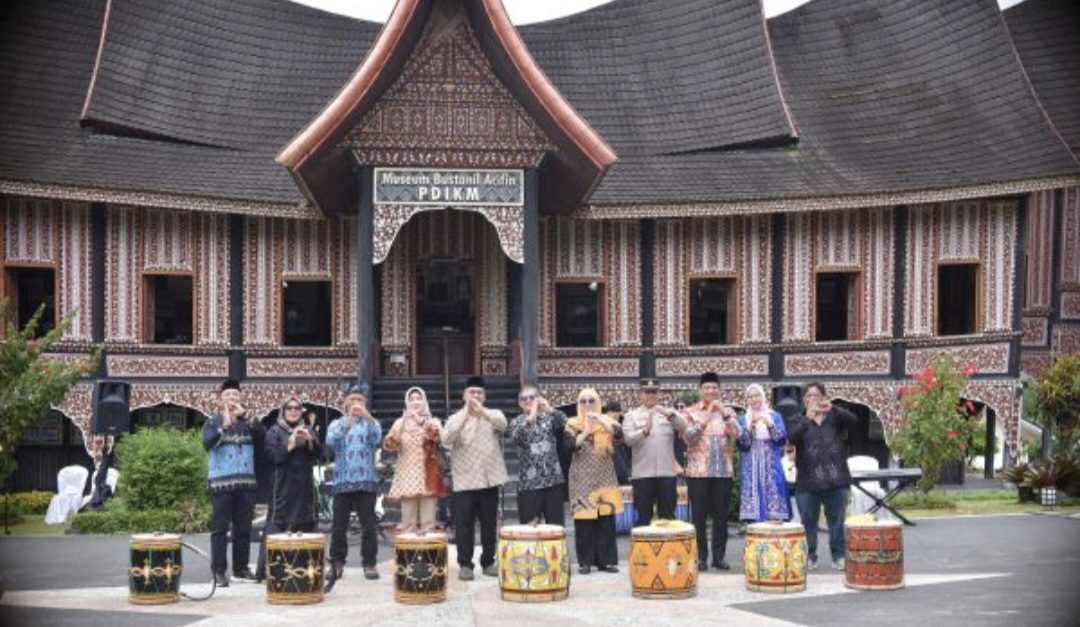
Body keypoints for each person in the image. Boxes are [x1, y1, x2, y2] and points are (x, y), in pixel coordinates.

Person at [442, 375, 508, 581]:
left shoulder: (492, 414)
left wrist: (482, 412)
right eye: (472, 392)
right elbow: (446, 438)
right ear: (464, 395)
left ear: (485, 396)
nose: (476, 395)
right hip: (464, 481)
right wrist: (466, 415)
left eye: (479, 392)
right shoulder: (455, 418)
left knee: (489, 524)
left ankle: (488, 561)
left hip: (489, 479)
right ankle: (465, 564)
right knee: (463, 526)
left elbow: (503, 424)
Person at [786, 382, 858, 570]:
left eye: (817, 395)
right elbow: (791, 438)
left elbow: (854, 421)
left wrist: (833, 408)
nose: (813, 399)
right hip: (808, 481)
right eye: (809, 396)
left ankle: (838, 556)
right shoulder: (797, 418)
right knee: (808, 522)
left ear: (824, 397)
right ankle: (810, 556)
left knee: (836, 521)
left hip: (836, 479)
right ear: (803, 400)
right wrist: (806, 419)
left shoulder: (834, 416)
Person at [201, 379, 266, 587]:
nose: (232, 398)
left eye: (235, 395)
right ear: (221, 399)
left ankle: (240, 569)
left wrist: (246, 416)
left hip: (245, 483)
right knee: (220, 529)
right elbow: (207, 443)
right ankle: (219, 572)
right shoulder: (212, 422)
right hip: (221, 484)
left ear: (240, 398)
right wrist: (225, 426)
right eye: (228, 395)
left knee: (244, 529)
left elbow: (263, 438)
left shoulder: (249, 422)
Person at [255, 395, 321, 582]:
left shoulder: (307, 429)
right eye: (289, 408)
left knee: (306, 526)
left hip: (304, 488)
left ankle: (306, 571)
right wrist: (290, 443)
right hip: (282, 488)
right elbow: (272, 455)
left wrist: (309, 440)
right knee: (277, 526)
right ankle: (270, 573)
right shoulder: (274, 431)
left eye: (297, 408)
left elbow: (317, 454)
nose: (293, 411)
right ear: (283, 411)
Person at [325, 382, 383, 589]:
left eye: (360, 400)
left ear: (365, 403)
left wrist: (367, 416)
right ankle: (337, 563)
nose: (356, 403)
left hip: (366, 481)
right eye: (353, 401)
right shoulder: (337, 423)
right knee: (338, 526)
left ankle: (369, 563)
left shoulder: (370, 423)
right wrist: (347, 422)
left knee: (369, 526)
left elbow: (377, 438)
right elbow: (331, 441)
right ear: (346, 403)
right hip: (343, 482)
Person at [683, 372, 738, 571]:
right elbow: (689, 437)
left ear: (719, 390)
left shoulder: (728, 412)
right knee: (698, 516)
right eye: (707, 388)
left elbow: (736, 434)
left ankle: (719, 557)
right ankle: (701, 558)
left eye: (714, 388)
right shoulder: (690, 412)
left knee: (721, 517)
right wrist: (706, 416)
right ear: (701, 390)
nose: (711, 391)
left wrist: (724, 415)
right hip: (698, 472)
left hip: (722, 471)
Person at [565, 388, 623, 574]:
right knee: (584, 522)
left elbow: (620, 436)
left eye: (591, 401)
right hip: (581, 479)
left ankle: (606, 562)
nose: (587, 404)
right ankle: (585, 562)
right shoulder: (572, 423)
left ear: (598, 403)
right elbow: (569, 445)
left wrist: (600, 421)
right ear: (578, 404)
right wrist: (587, 430)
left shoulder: (608, 421)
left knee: (606, 520)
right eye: (583, 401)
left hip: (604, 476)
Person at [623, 378, 687, 526]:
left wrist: (669, 415)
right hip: (643, 474)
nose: (650, 395)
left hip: (666, 473)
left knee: (668, 518)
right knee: (643, 518)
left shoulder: (668, 413)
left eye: (654, 392)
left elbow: (683, 427)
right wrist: (644, 432)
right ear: (641, 394)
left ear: (658, 394)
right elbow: (628, 440)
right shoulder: (631, 416)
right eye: (647, 392)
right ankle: (643, 550)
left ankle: (668, 550)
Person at [383, 387, 445, 534]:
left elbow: (438, 437)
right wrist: (403, 423)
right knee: (408, 523)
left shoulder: (433, 421)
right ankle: (408, 555)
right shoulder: (400, 423)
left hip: (427, 475)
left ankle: (428, 554)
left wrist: (420, 421)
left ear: (424, 401)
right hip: (407, 474)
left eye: (419, 398)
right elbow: (389, 445)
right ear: (407, 403)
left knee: (428, 523)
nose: (416, 402)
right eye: (412, 399)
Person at [506, 385, 567, 526]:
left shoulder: (549, 418)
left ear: (538, 399)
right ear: (520, 403)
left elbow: (565, 423)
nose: (528, 401)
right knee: (529, 529)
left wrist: (550, 409)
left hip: (553, 481)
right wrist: (531, 416)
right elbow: (517, 437)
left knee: (556, 527)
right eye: (524, 398)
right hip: (529, 485)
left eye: (532, 397)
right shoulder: (516, 422)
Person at [736, 383, 791, 523]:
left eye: (757, 395)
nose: (754, 399)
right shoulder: (743, 419)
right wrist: (749, 429)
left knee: (774, 497)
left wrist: (770, 424)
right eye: (750, 396)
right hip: (751, 468)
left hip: (771, 465)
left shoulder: (775, 416)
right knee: (753, 501)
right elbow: (743, 446)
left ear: (763, 397)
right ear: (746, 400)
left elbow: (781, 440)